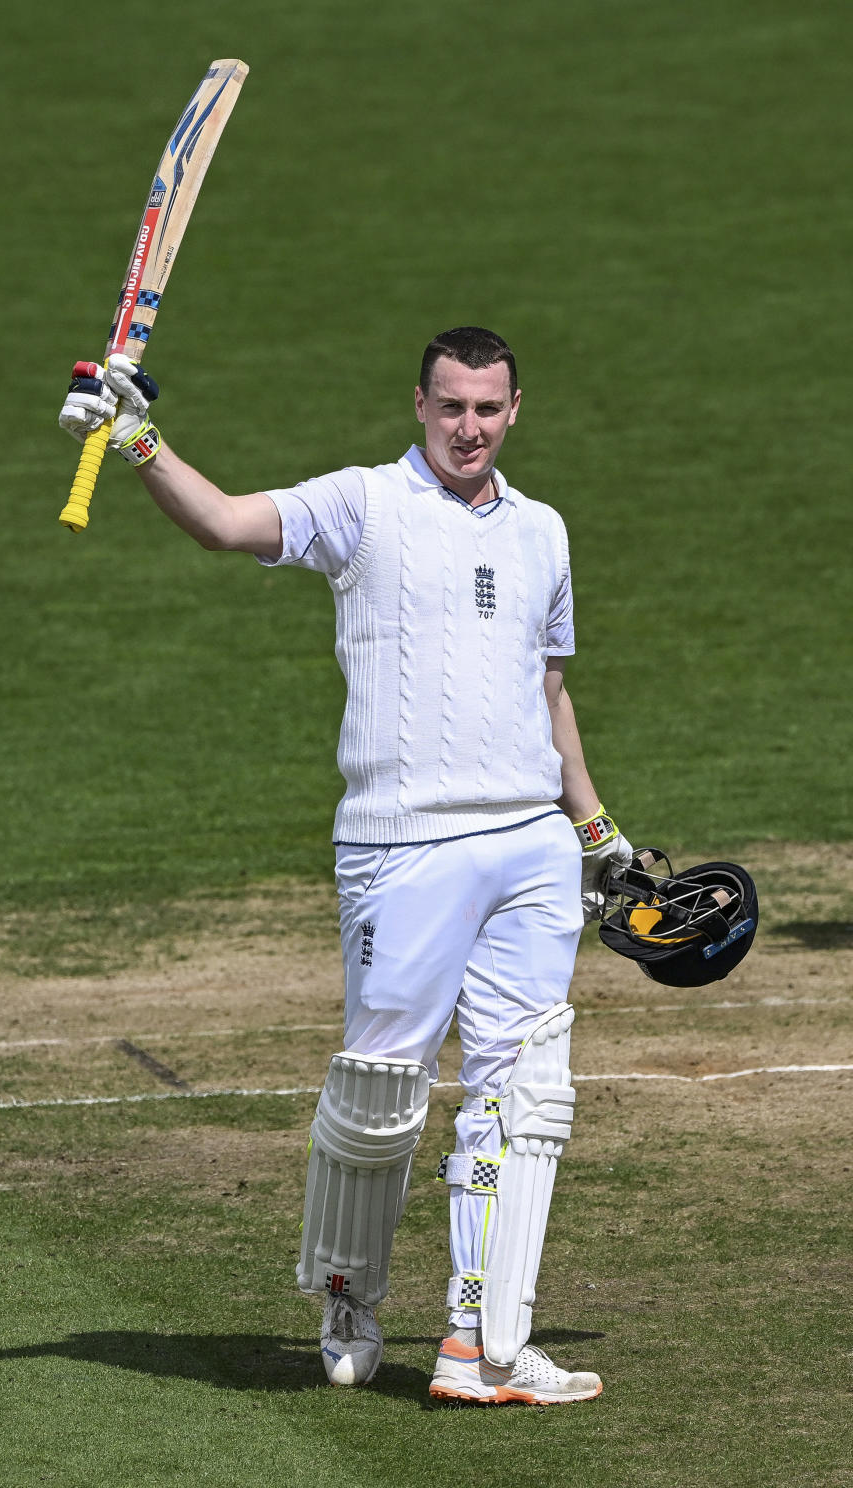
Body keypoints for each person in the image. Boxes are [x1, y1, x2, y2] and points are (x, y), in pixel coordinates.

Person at [59, 326, 631, 1406]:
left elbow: (547, 688)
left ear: (517, 410)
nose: (471, 427)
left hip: (529, 848)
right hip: (403, 846)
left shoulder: (543, 532)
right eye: (452, 406)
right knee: (378, 1093)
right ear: (419, 403)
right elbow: (228, 525)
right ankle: (348, 1294)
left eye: (489, 409)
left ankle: (483, 1348)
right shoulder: (363, 504)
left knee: (524, 1094)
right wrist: (137, 439)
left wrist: (593, 829)